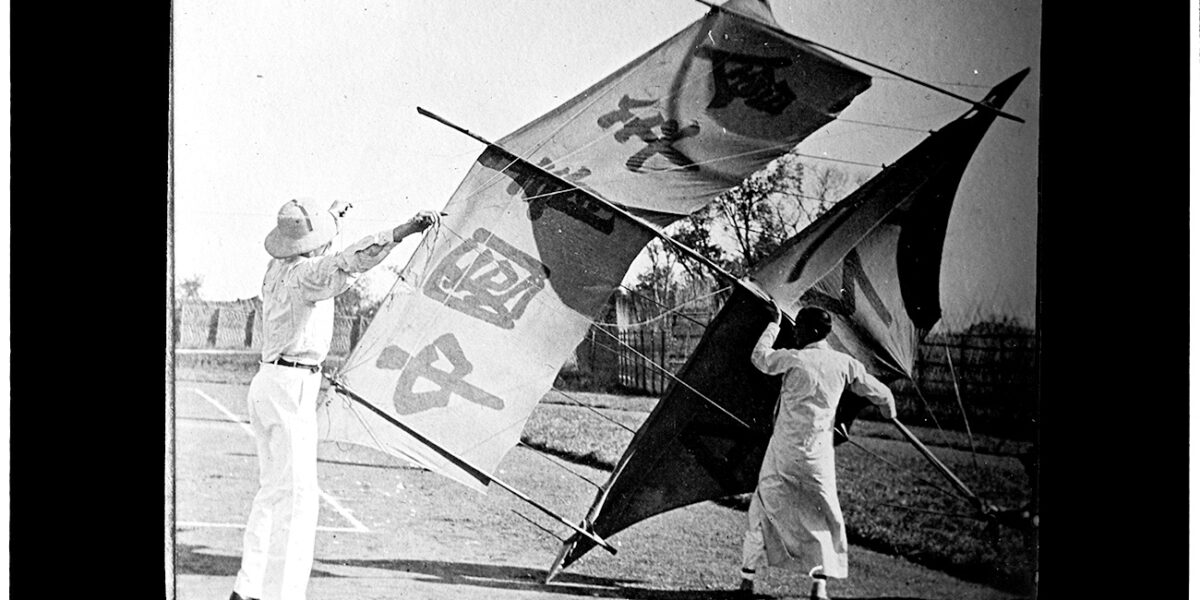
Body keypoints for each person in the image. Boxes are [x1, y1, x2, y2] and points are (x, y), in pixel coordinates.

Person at [230, 197, 438, 600]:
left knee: (272, 491)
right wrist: (402, 231)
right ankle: (281, 595)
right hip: (292, 387)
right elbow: (345, 263)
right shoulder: (306, 274)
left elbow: (324, 254)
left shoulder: (278, 268)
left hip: (271, 382)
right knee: (299, 497)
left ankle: (249, 586)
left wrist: (333, 220)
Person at [738, 293, 896, 600]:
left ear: (810, 332)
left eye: (798, 328)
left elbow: (760, 358)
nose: (794, 333)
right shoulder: (844, 363)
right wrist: (889, 411)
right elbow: (883, 394)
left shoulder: (795, 358)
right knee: (824, 516)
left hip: (783, 453)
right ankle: (819, 587)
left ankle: (747, 578)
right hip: (817, 457)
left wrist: (774, 324)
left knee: (763, 508)